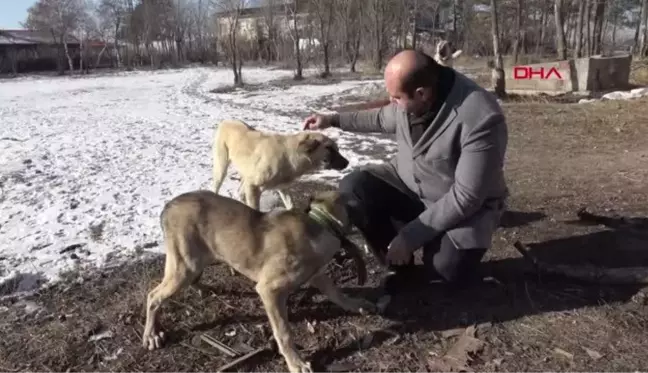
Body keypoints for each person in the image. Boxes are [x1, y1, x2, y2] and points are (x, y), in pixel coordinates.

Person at [302, 49, 509, 295]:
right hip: (410, 183)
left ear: (422, 94)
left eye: (396, 98)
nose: (392, 104)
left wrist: (410, 236)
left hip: (460, 205)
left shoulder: (480, 117)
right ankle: (398, 263)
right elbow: (380, 119)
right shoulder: (413, 96)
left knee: (446, 270)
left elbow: (467, 197)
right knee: (355, 186)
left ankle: (420, 248)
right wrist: (333, 120)